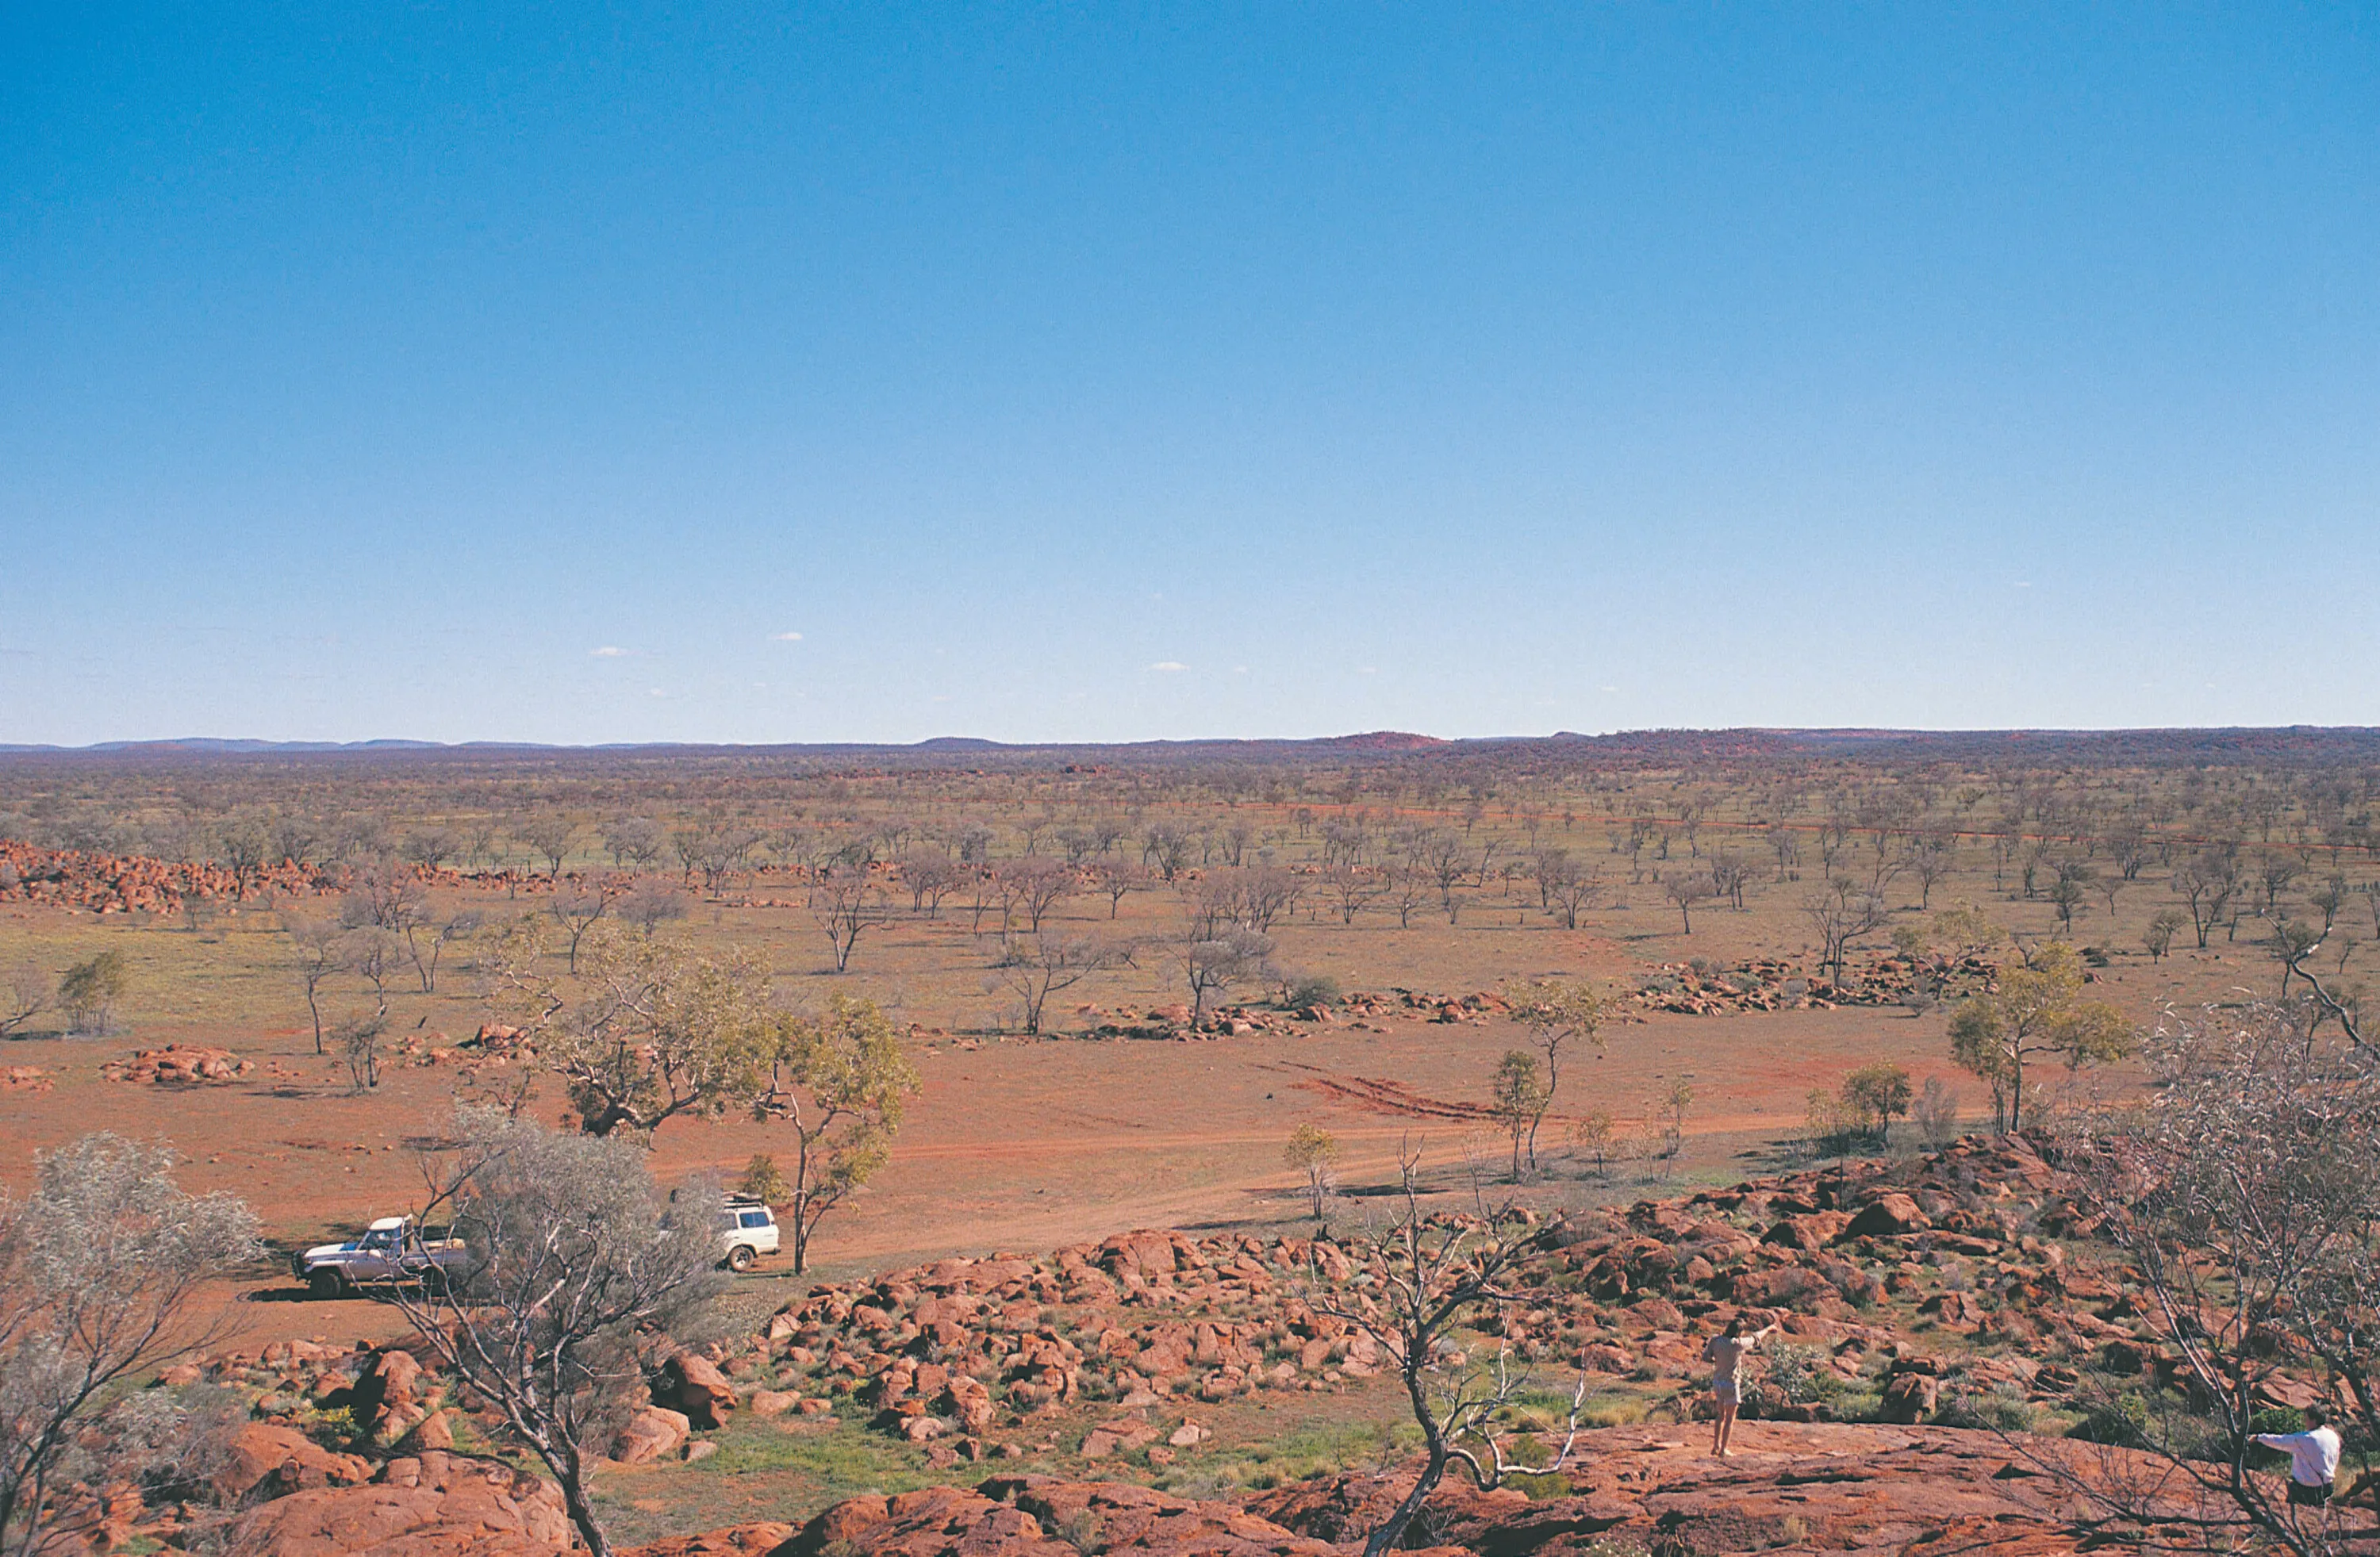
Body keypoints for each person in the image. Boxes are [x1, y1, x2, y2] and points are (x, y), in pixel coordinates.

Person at [1702, 1312, 1779, 1457]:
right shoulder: (1737, 1345)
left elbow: (1706, 1356)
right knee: (1730, 1418)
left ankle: (1715, 1446)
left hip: (1718, 1383)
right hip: (1731, 1384)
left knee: (1720, 1415)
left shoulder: (1716, 1341)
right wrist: (1769, 1329)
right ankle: (1724, 1449)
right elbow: (1756, 1337)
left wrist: (1717, 1361)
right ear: (1739, 1332)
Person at [2253, 1406, 2341, 1510]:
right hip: (2327, 1488)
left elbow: (2279, 1441)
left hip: (2305, 1491)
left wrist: (2258, 1437)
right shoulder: (2333, 1436)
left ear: (2314, 1421)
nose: (2305, 1422)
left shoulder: (2305, 1438)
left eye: (2307, 1419)